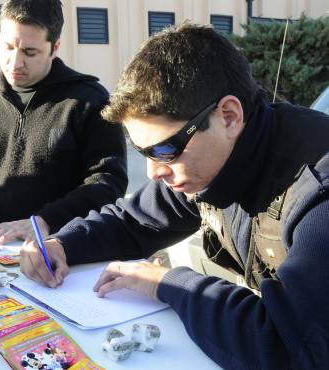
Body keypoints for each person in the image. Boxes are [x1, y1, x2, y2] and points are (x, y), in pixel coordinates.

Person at [20, 23, 329, 369]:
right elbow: (134, 220)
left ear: (229, 116)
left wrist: (170, 283)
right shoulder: (213, 160)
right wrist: (63, 244)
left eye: (165, 149)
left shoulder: (318, 191)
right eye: (143, 152)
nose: (154, 172)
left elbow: (290, 349)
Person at [0, 0, 128, 244]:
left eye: (30, 52)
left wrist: (46, 221)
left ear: (55, 47)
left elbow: (107, 183)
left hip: (66, 251)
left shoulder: (90, 102)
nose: (15, 62)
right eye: (7, 47)